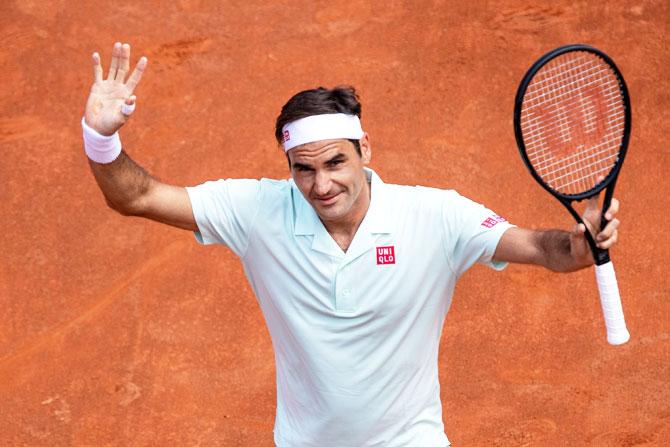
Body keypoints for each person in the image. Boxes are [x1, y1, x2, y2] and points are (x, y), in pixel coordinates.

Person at [82, 42, 620, 447]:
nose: (321, 185)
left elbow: (545, 249)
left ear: (365, 147)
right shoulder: (256, 210)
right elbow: (139, 197)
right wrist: (101, 138)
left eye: (336, 162)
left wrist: (582, 242)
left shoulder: (434, 214)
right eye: (304, 169)